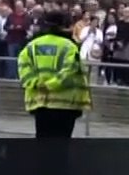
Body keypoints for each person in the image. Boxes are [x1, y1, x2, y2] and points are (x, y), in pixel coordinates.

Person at [18, 10, 92, 138]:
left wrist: (37, 84)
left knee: (43, 142)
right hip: (65, 104)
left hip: (40, 102)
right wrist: (51, 85)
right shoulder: (69, 46)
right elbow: (70, 71)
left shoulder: (32, 45)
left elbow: (24, 68)